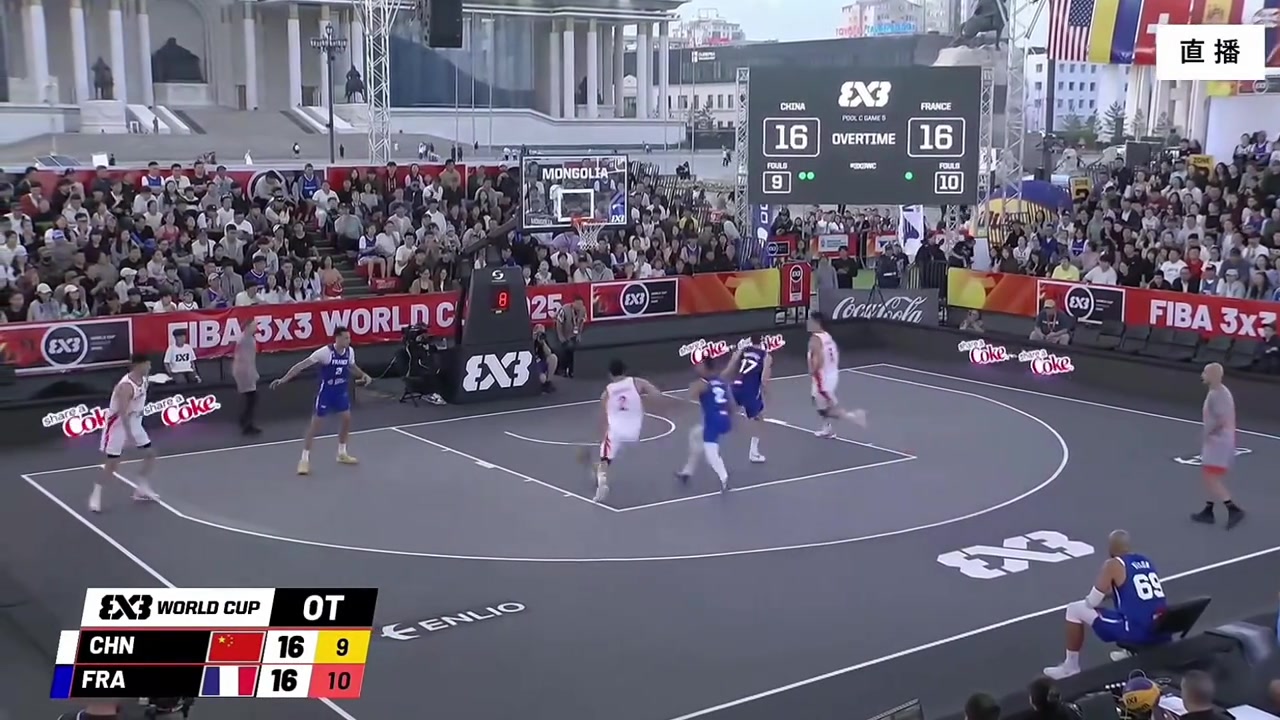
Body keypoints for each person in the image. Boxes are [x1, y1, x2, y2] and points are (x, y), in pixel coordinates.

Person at [1043, 529, 1167, 679]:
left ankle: (1070, 667)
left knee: (1074, 609)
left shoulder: (1113, 564)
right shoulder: (1145, 561)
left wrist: (1093, 596)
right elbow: (1136, 592)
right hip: (1160, 627)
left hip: (1136, 631)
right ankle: (1130, 652)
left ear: (1111, 547)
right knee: (1137, 609)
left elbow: (1092, 601)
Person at [269, 327, 372, 475]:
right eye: (346, 338)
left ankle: (342, 453)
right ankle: (304, 460)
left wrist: (363, 375)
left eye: (349, 338)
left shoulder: (350, 352)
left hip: (341, 393)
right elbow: (301, 365)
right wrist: (284, 379)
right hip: (326, 394)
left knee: (346, 419)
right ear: (337, 338)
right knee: (315, 425)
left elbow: (351, 365)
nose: (348, 341)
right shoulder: (325, 353)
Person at [91, 353, 159, 512]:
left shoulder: (144, 380)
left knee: (150, 454)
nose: (149, 367)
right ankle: (96, 494)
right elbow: (122, 412)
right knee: (112, 464)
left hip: (135, 421)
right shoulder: (126, 387)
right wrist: (128, 435)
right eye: (147, 364)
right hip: (118, 425)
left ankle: (141, 488)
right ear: (137, 365)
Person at [592, 359, 664, 502]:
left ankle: (602, 481)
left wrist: (601, 432)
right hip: (634, 431)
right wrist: (642, 401)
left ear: (610, 374)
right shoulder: (637, 382)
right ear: (625, 371)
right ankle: (600, 475)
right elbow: (656, 394)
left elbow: (603, 413)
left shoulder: (608, 391)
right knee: (610, 446)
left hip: (616, 431)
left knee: (605, 457)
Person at [1191, 363, 1245, 528]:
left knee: (1211, 477)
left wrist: (1206, 433)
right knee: (1209, 475)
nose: (1202, 375)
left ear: (1213, 375)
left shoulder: (1218, 395)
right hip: (1218, 441)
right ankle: (1208, 510)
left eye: (1205, 372)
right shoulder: (1217, 392)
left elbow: (1221, 419)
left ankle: (1232, 508)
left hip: (1218, 441)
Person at [676, 356, 735, 492]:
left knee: (711, 454)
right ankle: (687, 472)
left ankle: (724, 479)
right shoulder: (721, 382)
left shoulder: (702, 383)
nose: (696, 367)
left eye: (699, 365)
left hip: (712, 421)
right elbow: (731, 404)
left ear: (706, 368)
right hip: (724, 419)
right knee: (696, 435)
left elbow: (688, 397)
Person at [807, 312, 866, 438]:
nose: (807, 323)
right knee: (820, 404)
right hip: (831, 374)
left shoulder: (815, 339)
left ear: (817, 323)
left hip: (821, 377)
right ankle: (827, 428)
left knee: (825, 407)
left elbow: (819, 358)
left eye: (810, 321)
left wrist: (813, 370)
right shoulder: (827, 336)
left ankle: (853, 416)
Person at [725, 339, 771, 463]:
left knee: (726, 415)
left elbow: (732, 364)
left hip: (735, 387)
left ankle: (709, 439)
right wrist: (766, 391)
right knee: (759, 420)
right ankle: (754, 453)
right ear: (761, 342)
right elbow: (764, 378)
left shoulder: (744, 350)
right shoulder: (765, 355)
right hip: (750, 390)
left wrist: (721, 378)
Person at [233, 318, 261, 435]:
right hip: (245, 372)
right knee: (251, 398)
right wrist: (251, 373)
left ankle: (245, 421)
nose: (256, 328)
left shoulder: (247, 339)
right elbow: (244, 359)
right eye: (254, 325)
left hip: (245, 371)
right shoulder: (245, 340)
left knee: (251, 398)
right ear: (248, 327)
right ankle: (246, 424)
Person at [532, 325, 558, 393]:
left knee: (553, 358)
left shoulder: (543, 340)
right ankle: (541, 384)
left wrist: (543, 343)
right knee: (542, 378)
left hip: (541, 362)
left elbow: (548, 353)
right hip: (533, 364)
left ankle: (548, 382)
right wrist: (533, 339)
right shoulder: (530, 340)